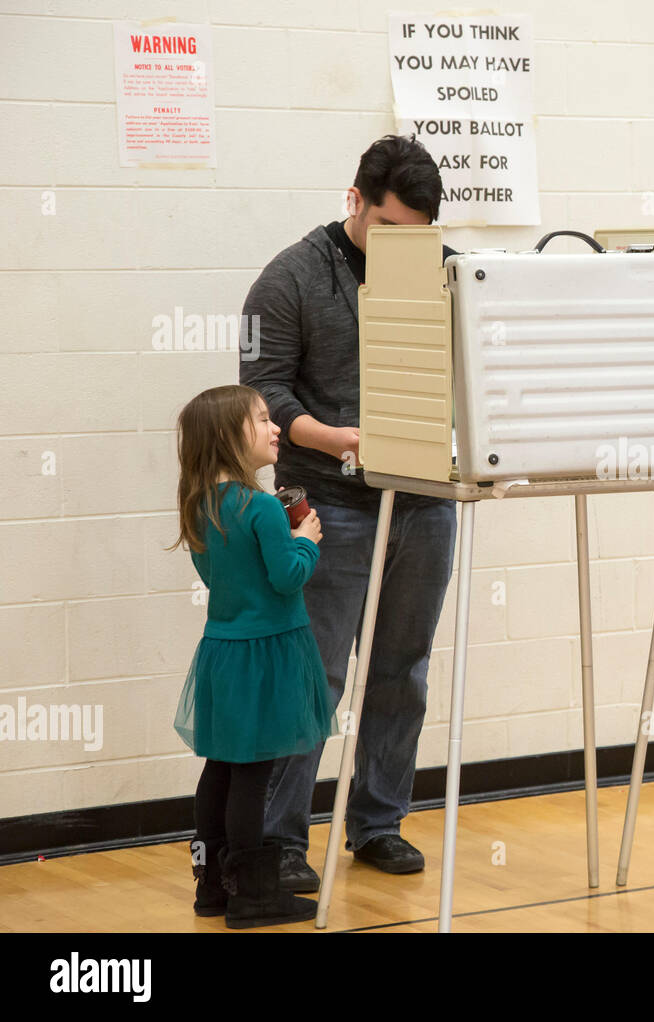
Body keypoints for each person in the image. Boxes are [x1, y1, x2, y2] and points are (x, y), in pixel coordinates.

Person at [240, 134, 458, 891]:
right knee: (315, 675)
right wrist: (332, 440)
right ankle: (278, 840)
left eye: (418, 235)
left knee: (403, 673)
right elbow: (264, 391)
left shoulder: (449, 272)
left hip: (424, 500)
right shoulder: (291, 277)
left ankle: (377, 824)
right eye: (390, 228)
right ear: (354, 201)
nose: (405, 245)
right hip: (325, 501)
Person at [171, 384, 334, 928]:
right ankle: (255, 895)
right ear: (227, 437)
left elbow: (214, 577)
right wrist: (305, 539)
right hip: (269, 654)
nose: (275, 428)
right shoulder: (263, 506)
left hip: (222, 652)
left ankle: (212, 887)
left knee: (222, 766)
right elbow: (286, 579)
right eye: (262, 419)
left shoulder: (200, 506)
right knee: (253, 772)